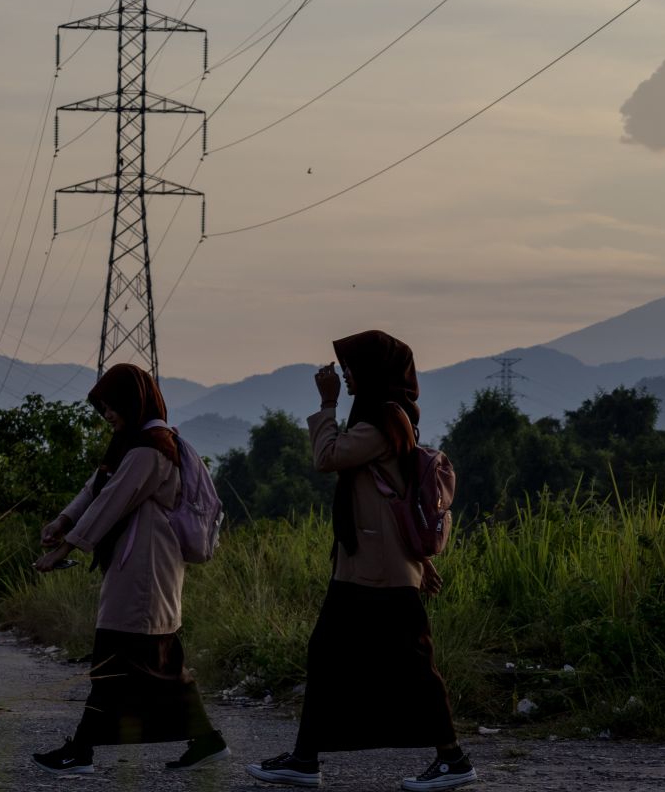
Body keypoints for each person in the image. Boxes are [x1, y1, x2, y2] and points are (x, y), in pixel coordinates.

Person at [246, 330, 475, 791]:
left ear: (373, 370)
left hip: (378, 572)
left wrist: (326, 404)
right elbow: (395, 497)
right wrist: (418, 560)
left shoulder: (383, 421)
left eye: (350, 367)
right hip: (367, 566)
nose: (344, 375)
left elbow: (328, 457)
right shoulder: (385, 417)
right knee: (329, 656)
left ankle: (454, 759)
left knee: (411, 663)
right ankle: (305, 758)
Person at [31, 363, 229, 775]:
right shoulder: (132, 443)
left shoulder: (150, 448)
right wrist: (63, 521)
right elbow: (95, 488)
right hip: (138, 568)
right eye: (103, 407)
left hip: (144, 572)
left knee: (122, 662)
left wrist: (63, 549)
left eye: (112, 405)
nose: (108, 415)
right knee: (155, 664)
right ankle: (204, 740)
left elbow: (111, 503)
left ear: (133, 401)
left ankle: (81, 749)